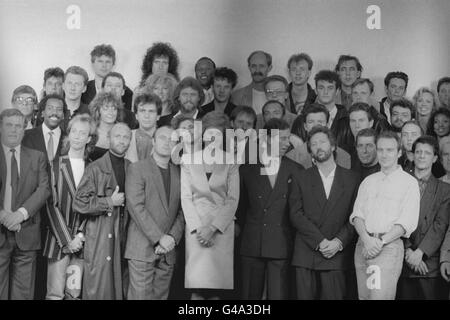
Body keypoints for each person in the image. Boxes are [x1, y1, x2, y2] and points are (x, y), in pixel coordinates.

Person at [289, 126, 360, 299]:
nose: (319, 147)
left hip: (337, 254)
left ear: (333, 146)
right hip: (307, 253)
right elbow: (295, 214)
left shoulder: (352, 178)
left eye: (322, 142)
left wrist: (338, 242)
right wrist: (320, 241)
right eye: (314, 144)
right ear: (310, 150)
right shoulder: (301, 177)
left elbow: (356, 216)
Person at [238, 118, 303, 299]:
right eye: (281, 138)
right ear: (266, 139)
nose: (286, 143)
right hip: (252, 243)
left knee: (278, 295)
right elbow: (240, 208)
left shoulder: (297, 170)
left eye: (287, 138)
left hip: (282, 244)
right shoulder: (246, 170)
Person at [350, 130, 420, 300]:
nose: (384, 154)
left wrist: (379, 243)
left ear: (399, 152)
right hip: (363, 246)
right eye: (380, 150)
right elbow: (357, 216)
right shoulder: (369, 181)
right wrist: (367, 240)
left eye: (389, 150)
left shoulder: (409, 182)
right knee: (364, 297)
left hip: (388, 248)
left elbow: (405, 223)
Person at [181, 111, 239, 300]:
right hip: (195, 228)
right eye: (208, 133)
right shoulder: (188, 159)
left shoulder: (231, 160)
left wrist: (213, 228)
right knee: (197, 288)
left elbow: (232, 199)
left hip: (221, 228)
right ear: (202, 135)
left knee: (216, 290)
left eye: (218, 134)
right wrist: (200, 229)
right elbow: (186, 198)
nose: (212, 138)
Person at [73, 122, 132, 300]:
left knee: (120, 288)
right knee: (99, 288)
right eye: (117, 136)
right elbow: (79, 203)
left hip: (125, 235)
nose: (122, 140)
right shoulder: (95, 168)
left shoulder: (133, 167)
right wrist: (109, 202)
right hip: (99, 235)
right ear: (109, 138)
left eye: (126, 137)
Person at [125, 125, 184, 300]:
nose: (167, 142)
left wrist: (172, 238)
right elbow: (136, 207)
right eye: (162, 138)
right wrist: (160, 238)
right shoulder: (137, 169)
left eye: (172, 139)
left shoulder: (179, 172)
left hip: (168, 252)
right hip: (142, 248)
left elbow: (183, 210)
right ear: (153, 141)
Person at [43, 114, 97, 300]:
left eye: (82, 133)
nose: (77, 136)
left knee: (74, 294)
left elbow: (92, 206)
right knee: (55, 294)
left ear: (89, 138)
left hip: (82, 242)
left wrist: (80, 236)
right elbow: (51, 205)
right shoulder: (54, 165)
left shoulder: (93, 168)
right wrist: (68, 240)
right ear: (69, 133)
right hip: (59, 241)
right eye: (74, 131)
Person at [0, 108, 50, 299]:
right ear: (1, 127)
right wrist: (3, 215)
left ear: (25, 129)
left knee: (24, 293)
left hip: (26, 232)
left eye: (18, 126)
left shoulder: (37, 157)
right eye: (9, 125)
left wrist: (20, 214)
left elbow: (44, 189)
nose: (14, 130)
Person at [397, 136, 450, 299]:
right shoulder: (399, 182)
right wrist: (408, 252)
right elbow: (393, 220)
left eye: (427, 153)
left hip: (428, 263)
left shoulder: (444, 189)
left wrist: (420, 252)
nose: (421, 156)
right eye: (418, 152)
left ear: (435, 158)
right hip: (402, 260)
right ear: (411, 155)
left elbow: (440, 225)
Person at [289, 104, 351, 169]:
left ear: (327, 125)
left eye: (320, 122)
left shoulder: (343, 156)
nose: (316, 126)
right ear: (305, 126)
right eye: (311, 122)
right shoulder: (291, 157)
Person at [81, 44, 133, 110]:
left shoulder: (126, 93)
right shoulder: (83, 89)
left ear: (113, 64)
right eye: (100, 61)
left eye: (108, 62)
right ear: (92, 63)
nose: (104, 65)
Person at [314, 70, 352, 152]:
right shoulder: (303, 118)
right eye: (321, 88)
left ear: (337, 91)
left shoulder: (348, 120)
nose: (325, 92)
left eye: (330, 88)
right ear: (315, 90)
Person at [88, 91, 124, 162]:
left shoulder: (123, 132)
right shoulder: (89, 131)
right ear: (98, 110)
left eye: (114, 108)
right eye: (106, 108)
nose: (110, 112)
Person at [125, 93, 161, 163]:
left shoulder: (166, 139)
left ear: (158, 116)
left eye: (151, 111)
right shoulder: (125, 136)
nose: (146, 116)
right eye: (142, 111)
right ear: (136, 115)